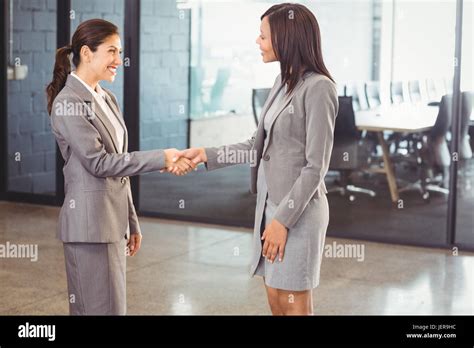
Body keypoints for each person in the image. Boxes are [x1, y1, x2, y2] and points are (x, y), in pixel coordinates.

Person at [171, 3, 338, 315]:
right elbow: (257, 144)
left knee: (294, 304)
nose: (257, 42)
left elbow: (316, 167)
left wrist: (282, 221)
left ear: (286, 38)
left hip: (297, 212)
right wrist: (206, 154)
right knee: (275, 298)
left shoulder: (319, 88)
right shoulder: (281, 82)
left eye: (263, 36)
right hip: (269, 207)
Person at [46, 19, 194, 315]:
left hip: (111, 224)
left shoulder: (106, 97)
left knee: (110, 309)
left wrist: (131, 221)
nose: (118, 60)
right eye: (112, 51)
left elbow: (119, 169)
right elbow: (99, 163)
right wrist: (161, 158)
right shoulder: (68, 102)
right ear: (87, 53)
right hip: (90, 227)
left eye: (120, 51)